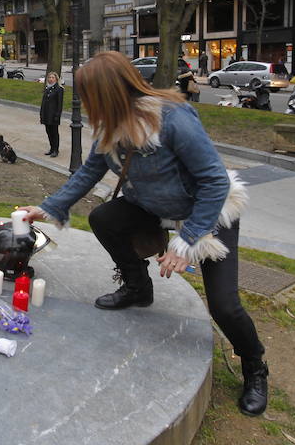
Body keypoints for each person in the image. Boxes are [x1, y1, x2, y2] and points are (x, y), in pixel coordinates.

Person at [19, 51, 267, 417]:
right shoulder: (110, 125)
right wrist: (50, 207)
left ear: (107, 94)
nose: (84, 103)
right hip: (154, 207)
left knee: (224, 306)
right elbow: (88, 172)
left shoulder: (174, 119)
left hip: (208, 213)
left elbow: (215, 182)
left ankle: (255, 367)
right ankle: (138, 288)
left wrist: (187, 241)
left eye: (87, 95)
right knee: (105, 218)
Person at [40, 71, 64, 157]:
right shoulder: (47, 88)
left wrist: (57, 115)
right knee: (48, 132)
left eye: (52, 77)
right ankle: (51, 148)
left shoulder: (59, 89)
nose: (51, 79)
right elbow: (44, 102)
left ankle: (55, 150)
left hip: (53, 115)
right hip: (46, 114)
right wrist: (42, 114)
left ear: (56, 79)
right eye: (49, 77)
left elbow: (59, 104)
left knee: (54, 132)